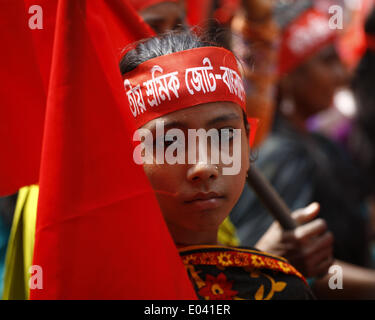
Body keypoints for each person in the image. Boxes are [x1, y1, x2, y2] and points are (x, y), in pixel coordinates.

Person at [119, 29, 314, 300]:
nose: (203, 166)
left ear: (248, 142)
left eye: (224, 135)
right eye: (170, 143)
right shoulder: (98, 284)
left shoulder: (281, 288)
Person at [229, 6, 375, 299]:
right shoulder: (278, 156)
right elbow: (287, 267)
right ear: (289, 78)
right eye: (327, 62)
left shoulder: (321, 143)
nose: (343, 72)